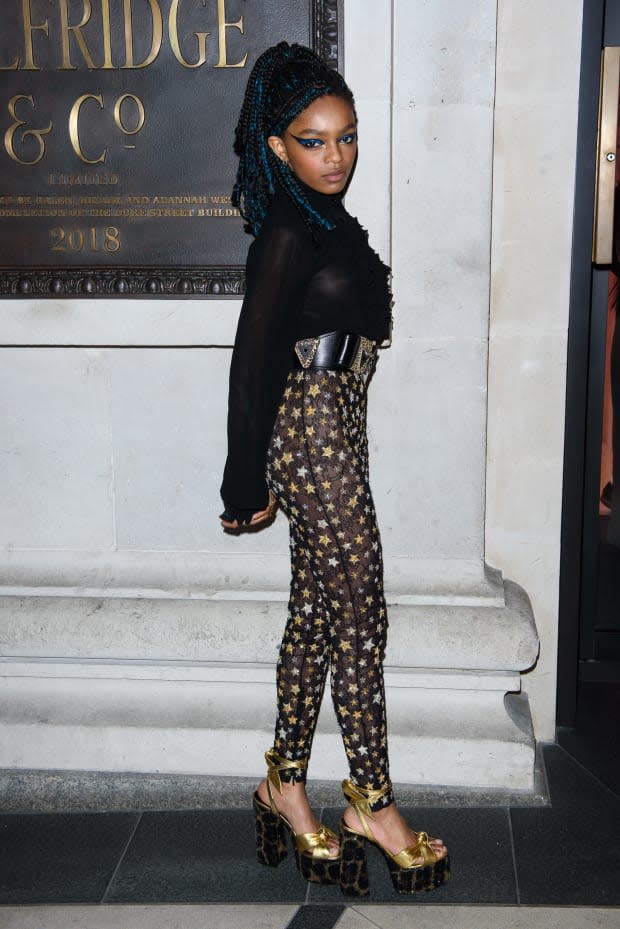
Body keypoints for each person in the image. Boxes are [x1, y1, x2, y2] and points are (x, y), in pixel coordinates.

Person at [220, 41, 450, 896]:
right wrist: (244, 483)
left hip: (339, 423)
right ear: (277, 146)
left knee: (319, 610)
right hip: (308, 425)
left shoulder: (326, 222)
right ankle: (374, 804)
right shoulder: (285, 231)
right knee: (362, 604)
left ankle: (283, 781)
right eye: (314, 140)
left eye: (347, 136)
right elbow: (252, 363)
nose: (337, 155)